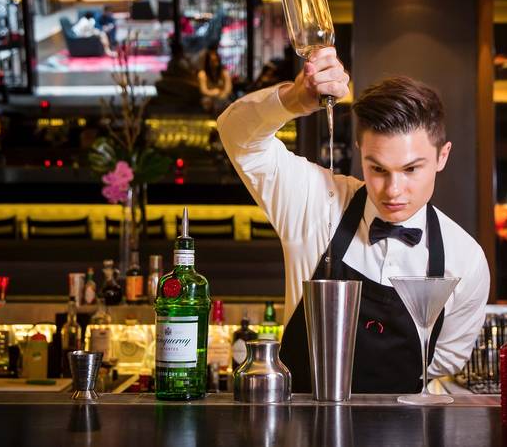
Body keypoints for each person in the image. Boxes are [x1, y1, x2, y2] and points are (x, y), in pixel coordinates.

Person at [217, 47, 490, 394]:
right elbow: (236, 135)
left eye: (411, 169)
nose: (393, 190)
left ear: (442, 156)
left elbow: (446, 359)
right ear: (360, 152)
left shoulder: (465, 259)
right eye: (377, 169)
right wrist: (296, 98)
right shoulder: (317, 202)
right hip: (301, 430)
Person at [197, 47, 232, 114]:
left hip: (222, 98)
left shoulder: (224, 73)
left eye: (216, 60)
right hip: (209, 98)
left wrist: (222, 94)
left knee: (227, 103)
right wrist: (215, 92)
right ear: (208, 62)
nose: (214, 63)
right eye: (212, 61)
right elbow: (203, 90)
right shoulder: (202, 74)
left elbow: (228, 89)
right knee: (207, 102)